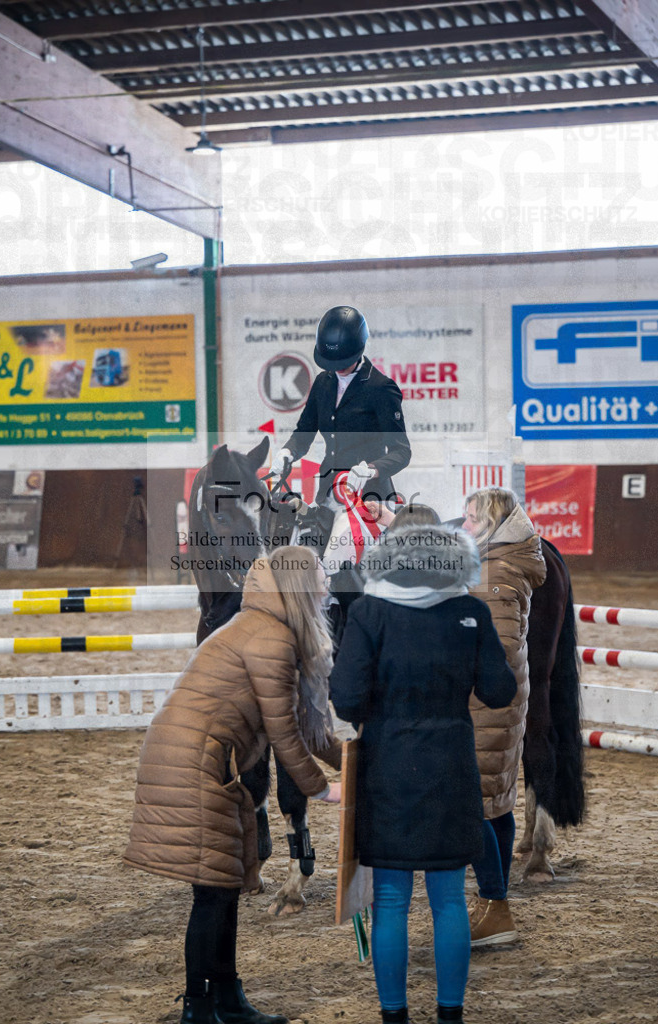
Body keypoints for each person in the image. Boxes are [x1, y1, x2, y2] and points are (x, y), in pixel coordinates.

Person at [124, 548, 341, 1024]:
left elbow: (307, 728)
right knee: (211, 892)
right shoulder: (270, 638)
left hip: (197, 757)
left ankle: (226, 1000)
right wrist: (323, 789)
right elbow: (282, 732)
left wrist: (358, 761)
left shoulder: (268, 628)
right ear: (301, 584)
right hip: (192, 762)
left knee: (222, 886)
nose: (329, 582)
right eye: (322, 575)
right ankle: (198, 1010)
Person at [330, 513, 517, 1024]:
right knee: (449, 898)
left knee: (390, 901)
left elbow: (345, 700)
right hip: (452, 765)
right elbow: (500, 692)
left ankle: (394, 1016)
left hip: (387, 766)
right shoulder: (471, 611)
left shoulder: (368, 612)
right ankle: (450, 1016)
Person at [461, 487, 547, 948]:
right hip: (501, 703)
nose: (465, 526)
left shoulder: (492, 571)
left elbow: (501, 646)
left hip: (484, 705)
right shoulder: (503, 563)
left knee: (476, 802)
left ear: (492, 522)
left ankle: (495, 907)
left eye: (471, 518)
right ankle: (495, 901)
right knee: (497, 801)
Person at [270, 305, 411, 508]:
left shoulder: (381, 388)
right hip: (328, 494)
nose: (337, 369)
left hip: (369, 498)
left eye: (343, 363)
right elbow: (304, 433)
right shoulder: (322, 383)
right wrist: (288, 452)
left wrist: (371, 469)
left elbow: (402, 452)